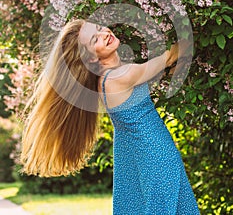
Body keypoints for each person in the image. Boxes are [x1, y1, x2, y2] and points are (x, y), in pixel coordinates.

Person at [21, 19, 200, 214]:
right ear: (90, 58)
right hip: (156, 156)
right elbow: (169, 57)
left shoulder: (105, 80)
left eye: (99, 28)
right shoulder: (121, 76)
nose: (104, 33)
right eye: (95, 39)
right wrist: (195, 33)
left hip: (138, 161)